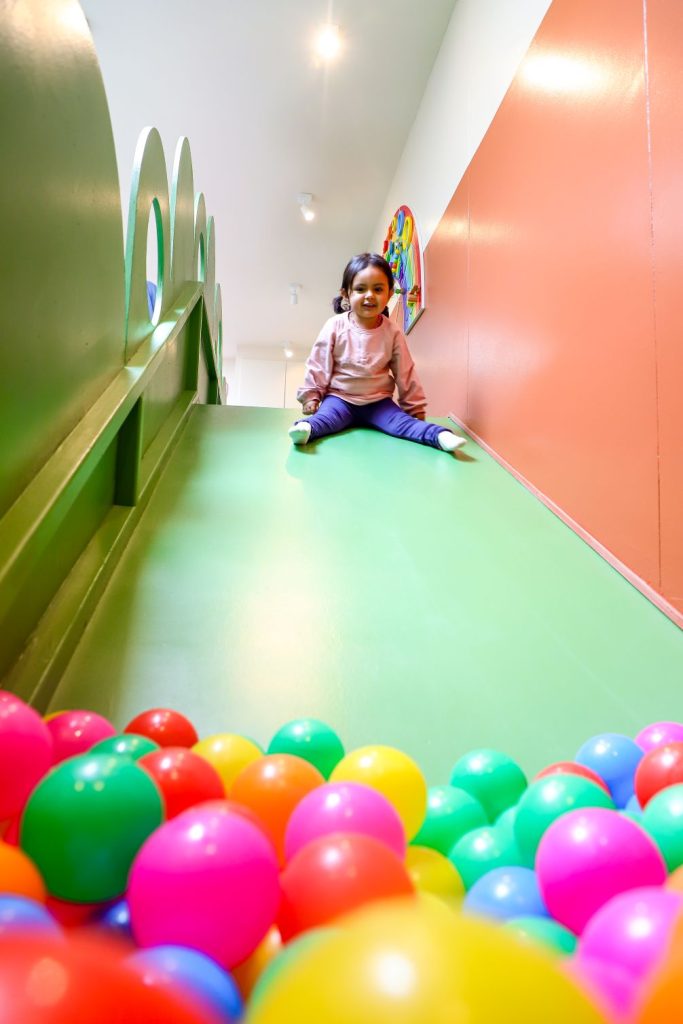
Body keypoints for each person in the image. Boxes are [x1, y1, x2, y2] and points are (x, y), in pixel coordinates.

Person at [289, 253, 466, 454]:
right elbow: (319, 363)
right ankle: (305, 429)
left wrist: (414, 408)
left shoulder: (392, 331)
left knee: (403, 424)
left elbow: (405, 372)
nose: (370, 295)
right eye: (360, 289)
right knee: (324, 420)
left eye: (378, 289)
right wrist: (312, 396)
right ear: (346, 294)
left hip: (378, 403)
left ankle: (440, 436)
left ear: (389, 294)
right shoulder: (335, 326)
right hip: (339, 399)